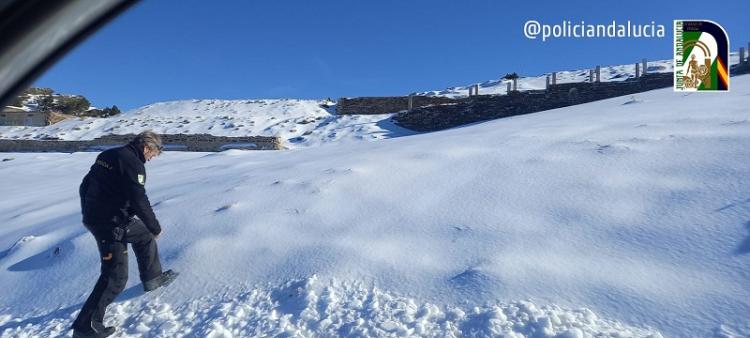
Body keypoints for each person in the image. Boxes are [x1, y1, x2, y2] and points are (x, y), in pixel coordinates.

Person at [72, 131, 178, 338]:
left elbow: (84, 185)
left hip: (107, 217)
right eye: (154, 154)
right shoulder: (133, 164)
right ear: (146, 147)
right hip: (109, 224)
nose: (152, 158)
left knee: (144, 236)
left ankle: (152, 278)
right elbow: (139, 199)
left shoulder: (108, 155)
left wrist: (90, 212)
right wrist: (155, 226)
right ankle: (85, 327)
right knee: (115, 276)